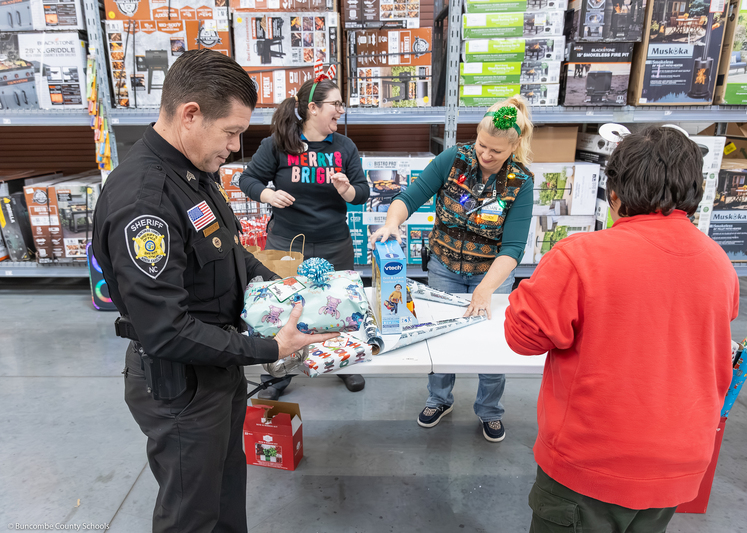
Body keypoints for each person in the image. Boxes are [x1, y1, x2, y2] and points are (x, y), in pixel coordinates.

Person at [92, 49, 336, 533]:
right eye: (231, 132)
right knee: (191, 514)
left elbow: (225, 249)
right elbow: (165, 331)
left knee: (225, 495)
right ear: (190, 115)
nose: (235, 146)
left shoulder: (192, 174)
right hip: (181, 384)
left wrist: (276, 281)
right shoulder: (148, 201)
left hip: (218, 365)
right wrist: (271, 347)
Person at [504, 126, 738, 532]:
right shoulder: (719, 263)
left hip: (592, 462)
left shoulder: (581, 256)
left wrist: (526, 291)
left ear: (614, 194)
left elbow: (523, 338)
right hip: (678, 463)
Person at [370, 96, 535, 443]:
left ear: (515, 146)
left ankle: (490, 410)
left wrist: (486, 289)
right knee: (440, 338)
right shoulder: (453, 159)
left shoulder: (521, 182)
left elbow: (514, 248)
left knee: (490, 348)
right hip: (443, 266)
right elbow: (409, 197)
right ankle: (439, 398)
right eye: (482, 146)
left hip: (490, 274)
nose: (486, 156)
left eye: (497, 151)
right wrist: (392, 223)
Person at [239, 73, 370, 399]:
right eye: (335, 104)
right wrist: (268, 196)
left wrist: (348, 190)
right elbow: (248, 179)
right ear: (312, 107)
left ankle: (342, 364)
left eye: (342, 104)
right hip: (286, 244)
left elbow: (363, 193)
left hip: (334, 242)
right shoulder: (278, 144)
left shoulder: (344, 147)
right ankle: (280, 373)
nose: (341, 110)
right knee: (284, 309)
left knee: (338, 307)